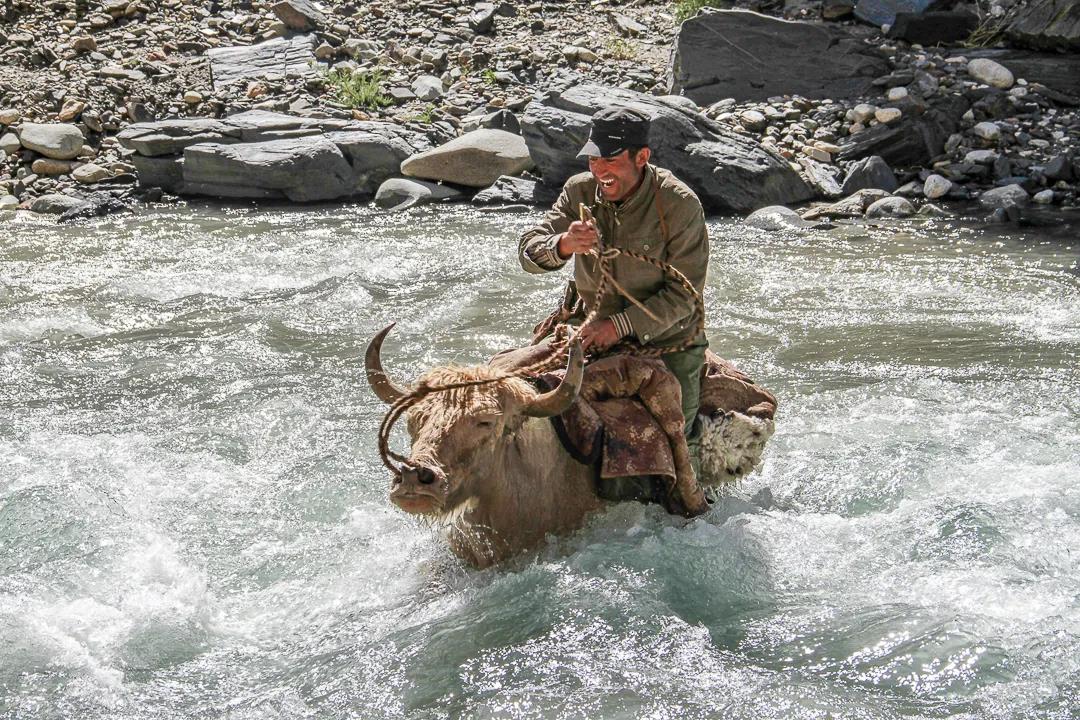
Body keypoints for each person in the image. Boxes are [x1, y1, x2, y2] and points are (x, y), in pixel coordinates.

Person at [518, 106, 710, 498]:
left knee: (679, 439)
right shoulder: (578, 191)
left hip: (667, 338)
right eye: (593, 158)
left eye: (610, 159)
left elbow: (685, 295)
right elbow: (528, 251)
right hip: (588, 329)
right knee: (526, 403)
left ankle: (685, 502)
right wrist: (562, 245)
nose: (598, 169)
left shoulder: (679, 204)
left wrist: (620, 327)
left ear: (642, 157)